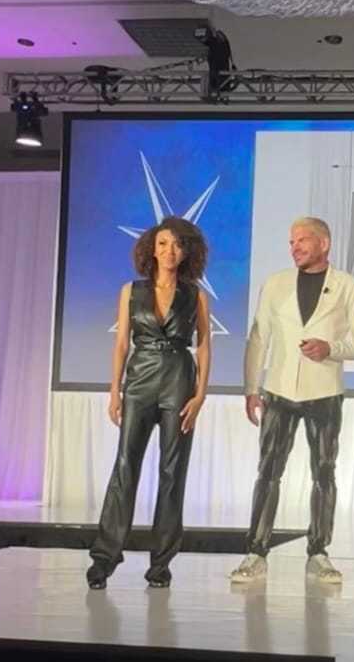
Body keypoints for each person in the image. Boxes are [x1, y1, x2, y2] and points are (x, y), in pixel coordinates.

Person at [230, 217, 354, 585]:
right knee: (268, 471)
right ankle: (256, 551)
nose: (294, 247)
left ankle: (318, 552)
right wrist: (251, 388)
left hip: (324, 392)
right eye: (291, 241)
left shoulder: (347, 286)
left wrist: (333, 348)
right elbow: (259, 337)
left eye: (301, 241)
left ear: (324, 243)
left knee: (324, 472)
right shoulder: (276, 284)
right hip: (278, 390)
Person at [86, 217, 211, 589]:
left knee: (173, 474)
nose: (168, 251)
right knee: (125, 468)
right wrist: (114, 390)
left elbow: (204, 345)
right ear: (150, 249)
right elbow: (122, 342)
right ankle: (104, 559)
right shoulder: (131, 291)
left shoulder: (196, 295)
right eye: (161, 244)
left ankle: (161, 564)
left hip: (179, 380)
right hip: (139, 380)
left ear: (187, 250)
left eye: (176, 244)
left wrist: (201, 395)